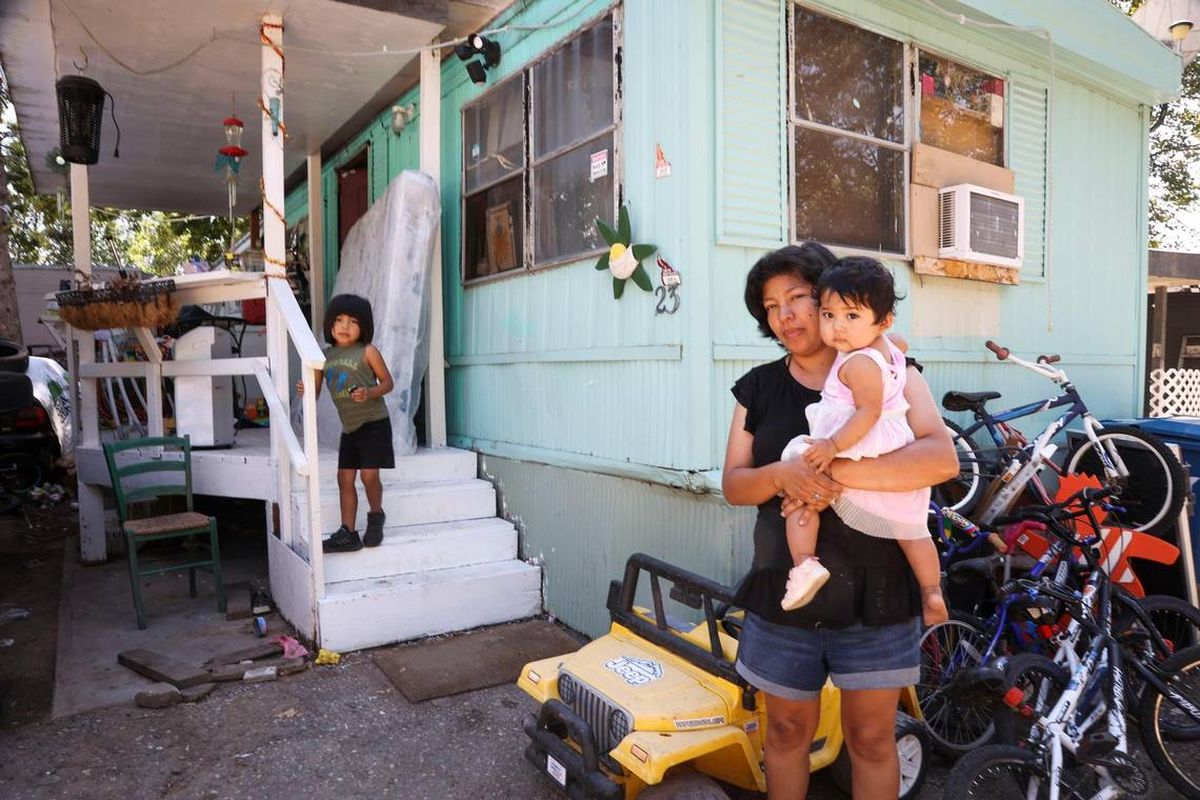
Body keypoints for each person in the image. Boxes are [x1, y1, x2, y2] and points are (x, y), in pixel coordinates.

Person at [722, 243, 958, 800]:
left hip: (877, 592)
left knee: (873, 739)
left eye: (799, 298)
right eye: (770, 305)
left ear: (828, 295)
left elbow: (941, 459)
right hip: (787, 587)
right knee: (783, 732)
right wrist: (784, 474)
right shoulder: (758, 387)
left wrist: (839, 474)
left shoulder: (893, 371)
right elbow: (734, 484)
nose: (786, 316)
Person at [778, 257, 947, 626]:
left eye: (851, 317)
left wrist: (832, 447)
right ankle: (932, 590)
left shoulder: (857, 364)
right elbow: (897, 344)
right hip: (887, 444)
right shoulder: (889, 348)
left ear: (881, 321)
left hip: (857, 439)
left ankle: (804, 564)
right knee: (912, 529)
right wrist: (880, 337)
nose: (837, 328)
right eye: (828, 315)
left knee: (800, 481)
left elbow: (866, 412)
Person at [297, 294, 395, 553]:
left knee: (369, 476)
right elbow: (315, 393)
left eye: (353, 321)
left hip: (374, 423)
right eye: (338, 320)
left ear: (364, 326)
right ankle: (347, 533)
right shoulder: (323, 357)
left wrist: (369, 392)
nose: (344, 326)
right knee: (344, 478)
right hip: (350, 428)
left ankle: (376, 515)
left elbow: (388, 383)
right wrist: (305, 389)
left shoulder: (368, 351)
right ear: (330, 324)